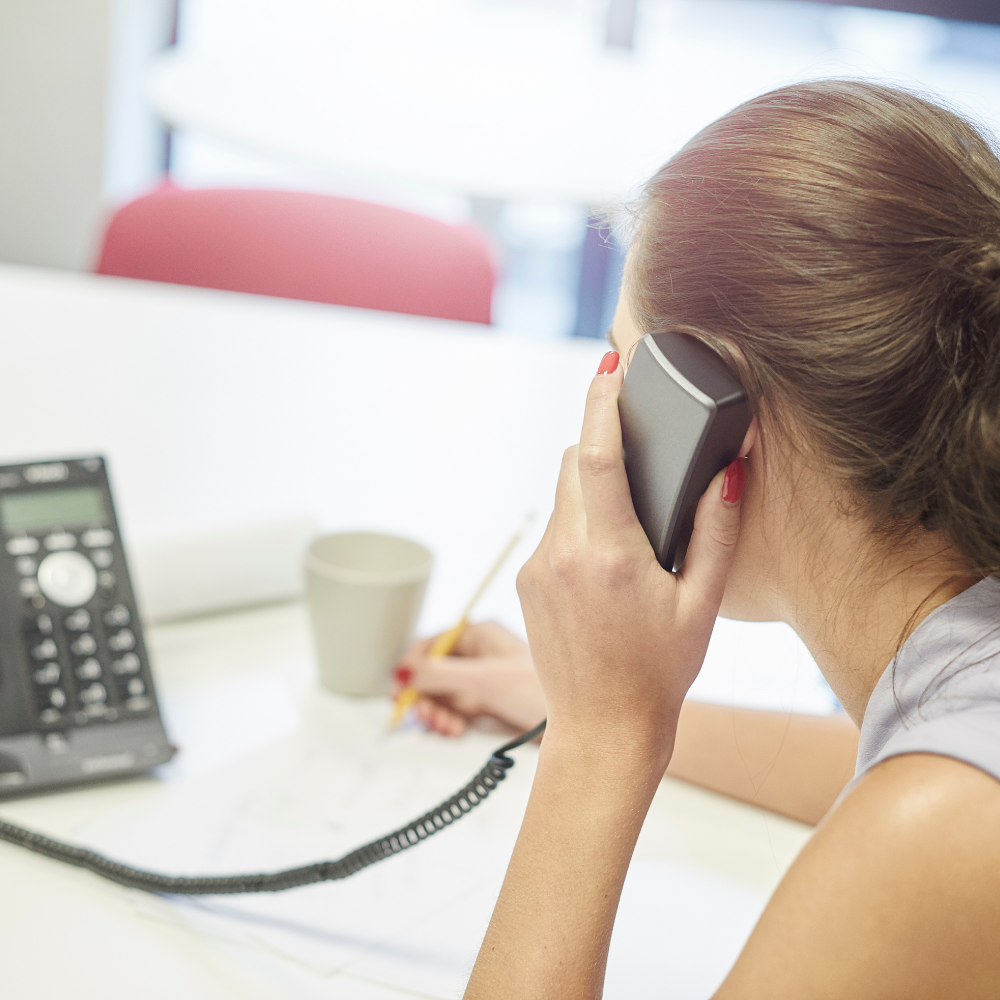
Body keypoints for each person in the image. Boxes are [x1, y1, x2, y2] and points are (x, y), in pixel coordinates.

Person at [397, 80, 1000, 996]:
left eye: (621, 368)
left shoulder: (941, 828)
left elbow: (926, 821)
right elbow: (887, 755)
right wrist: (564, 691)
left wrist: (600, 743)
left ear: (716, 418)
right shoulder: (960, 714)